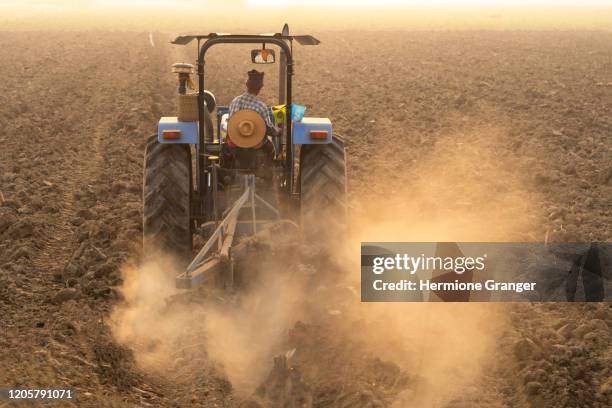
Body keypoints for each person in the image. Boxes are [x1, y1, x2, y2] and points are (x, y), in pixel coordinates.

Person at [228, 70, 280, 145]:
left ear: (247, 85)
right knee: (270, 148)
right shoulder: (261, 107)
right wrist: (277, 131)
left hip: (235, 145)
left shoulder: (235, 101)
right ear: (259, 88)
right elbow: (268, 129)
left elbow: (230, 122)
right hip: (254, 148)